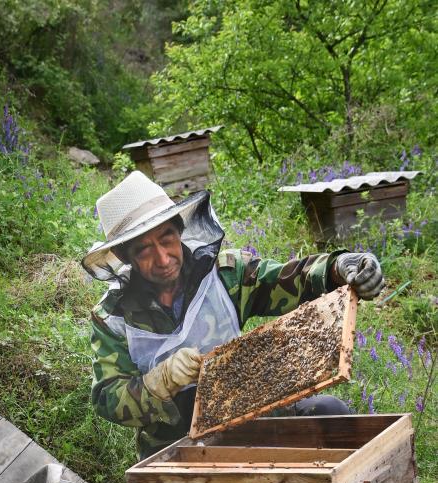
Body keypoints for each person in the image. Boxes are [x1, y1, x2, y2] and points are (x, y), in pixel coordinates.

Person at [83, 171, 383, 459]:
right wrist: (158, 382)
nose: (162, 258)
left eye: (166, 239)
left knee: (330, 411)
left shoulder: (225, 274)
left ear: (179, 230)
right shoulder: (111, 320)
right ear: (125, 256)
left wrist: (337, 267)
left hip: (253, 416)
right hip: (177, 443)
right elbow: (108, 399)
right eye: (144, 250)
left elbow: (286, 279)